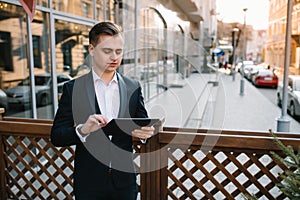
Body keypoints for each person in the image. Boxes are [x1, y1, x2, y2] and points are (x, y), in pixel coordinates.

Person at [51, 21, 154, 200]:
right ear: (91, 49)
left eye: (119, 51)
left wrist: (146, 133)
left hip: (125, 182)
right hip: (89, 182)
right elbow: (57, 136)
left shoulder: (133, 87)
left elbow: (141, 123)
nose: (114, 57)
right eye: (107, 51)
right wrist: (83, 130)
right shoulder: (73, 89)